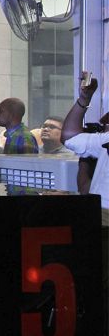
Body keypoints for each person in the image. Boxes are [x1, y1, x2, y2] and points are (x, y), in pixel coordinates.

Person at [62, 76, 109, 226]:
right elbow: (70, 137)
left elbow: (69, 137)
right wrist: (84, 99)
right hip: (99, 211)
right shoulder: (105, 140)